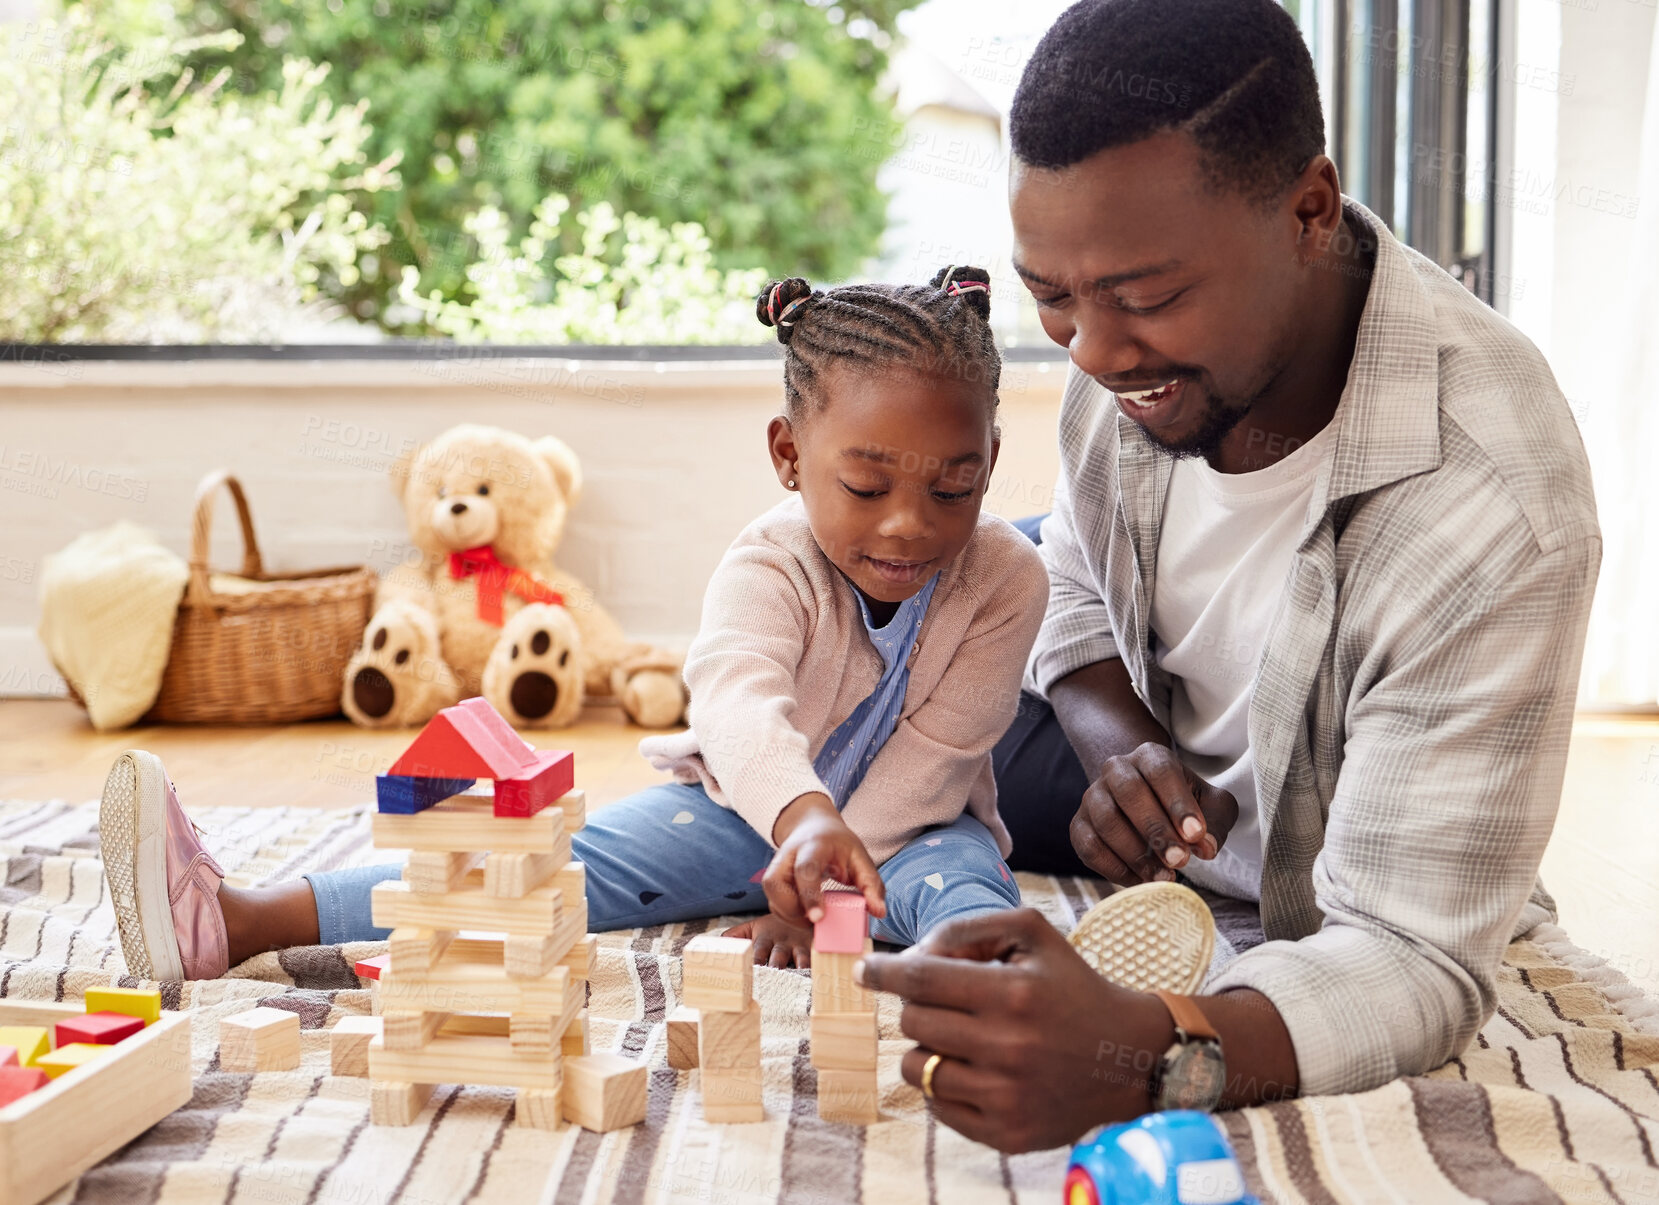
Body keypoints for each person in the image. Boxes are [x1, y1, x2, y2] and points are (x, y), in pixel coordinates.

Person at [857, 0, 1601, 1154]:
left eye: (1145, 299)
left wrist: (1143, 1050)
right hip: (1137, 794)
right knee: (841, 684)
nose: (1094, 355)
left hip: (1310, 879)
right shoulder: (1124, 349)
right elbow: (1072, 566)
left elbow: (1412, 953)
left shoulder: (1491, 499)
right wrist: (1113, 735)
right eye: (1052, 295)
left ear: (1309, 210)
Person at [100, 266, 1050, 982]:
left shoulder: (1007, 575)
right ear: (789, 454)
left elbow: (939, 751)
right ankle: (245, 917)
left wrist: (826, 895)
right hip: (736, 811)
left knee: (969, 890)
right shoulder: (770, 563)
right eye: (867, 485)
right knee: (543, 865)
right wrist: (799, 823)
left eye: (954, 485)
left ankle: (992, 986)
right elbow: (738, 706)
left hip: (914, 828)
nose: (909, 523)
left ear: (990, 458)